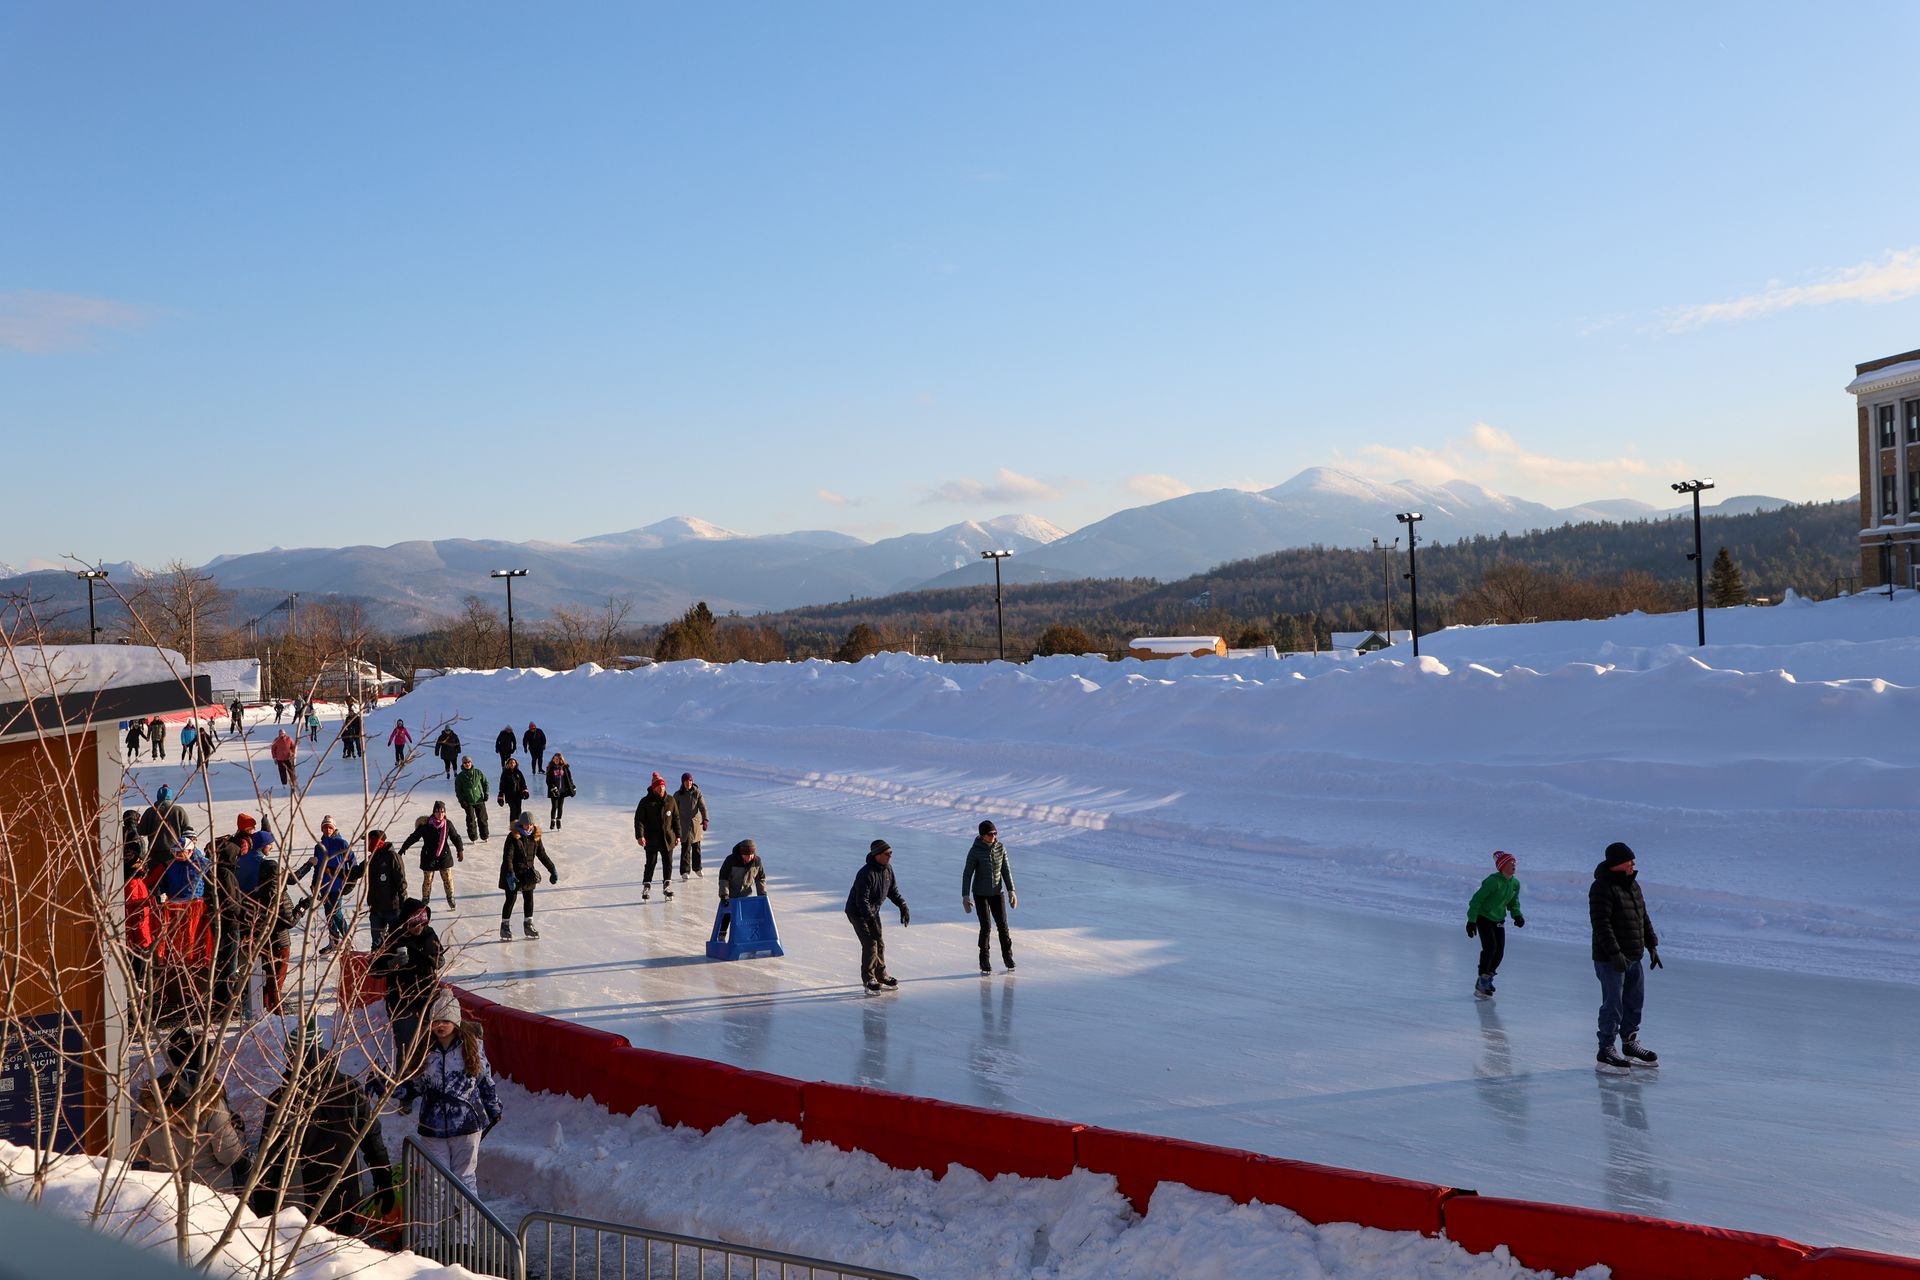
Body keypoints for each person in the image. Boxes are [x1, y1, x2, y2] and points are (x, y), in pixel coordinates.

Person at [254, 1026, 394, 1229]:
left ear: (293, 1055)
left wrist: (264, 1205)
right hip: (346, 1194)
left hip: (303, 1200)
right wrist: (383, 1178)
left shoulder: (282, 1099)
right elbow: (372, 1139)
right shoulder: (350, 1088)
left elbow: (269, 1157)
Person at [393, 988, 503, 1234]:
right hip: (433, 1127)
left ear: (455, 1021)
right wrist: (391, 1088)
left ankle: (465, 1236)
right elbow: (416, 1085)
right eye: (435, 1021)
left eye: (445, 1020)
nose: (440, 1025)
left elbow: (485, 1081)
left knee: (464, 1180)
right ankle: (429, 1236)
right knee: (433, 1184)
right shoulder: (425, 1051)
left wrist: (494, 1108)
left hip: (466, 1126)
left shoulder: (471, 1048)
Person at [1590, 841, 1661, 1072]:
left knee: (1634, 1002)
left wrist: (1651, 944)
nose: (1633, 864)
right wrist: (1614, 953)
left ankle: (1630, 1043)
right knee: (1613, 1004)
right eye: (1629, 860)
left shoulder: (1633, 884)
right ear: (1617, 863)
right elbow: (1601, 924)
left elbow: (1642, 915)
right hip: (1610, 959)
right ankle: (1606, 1049)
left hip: (1634, 955)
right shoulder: (1602, 887)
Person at [374, 900, 443, 1077]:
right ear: (406, 922)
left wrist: (438, 960)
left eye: (423, 923)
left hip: (427, 999)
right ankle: (404, 1090)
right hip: (402, 1003)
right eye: (414, 924)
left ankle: (427, 1084)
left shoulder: (429, 934)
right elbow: (374, 969)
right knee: (407, 1046)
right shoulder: (394, 937)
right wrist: (391, 963)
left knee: (429, 1045)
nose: (419, 928)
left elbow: (439, 956)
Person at [845, 839, 909, 992]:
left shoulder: (888, 870)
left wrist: (903, 906)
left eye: (891, 853)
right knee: (870, 944)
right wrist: (870, 920)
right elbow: (862, 901)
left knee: (879, 943)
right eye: (887, 853)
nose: (890, 856)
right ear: (877, 855)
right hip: (858, 912)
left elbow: (892, 891)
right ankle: (868, 979)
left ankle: (881, 975)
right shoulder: (865, 873)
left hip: (873, 911)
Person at [961, 819, 1018, 975]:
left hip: (997, 893)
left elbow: (1006, 871)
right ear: (982, 835)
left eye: (995, 833)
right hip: (980, 894)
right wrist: (965, 896)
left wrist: (1011, 890)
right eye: (990, 834)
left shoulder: (1001, 848)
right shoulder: (975, 851)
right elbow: (967, 874)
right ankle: (984, 960)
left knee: (1003, 926)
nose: (994, 836)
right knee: (986, 927)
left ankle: (1008, 957)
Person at [296, 816, 357, 954]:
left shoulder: (342, 843)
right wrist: (314, 884)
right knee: (329, 915)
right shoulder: (319, 847)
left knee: (337, 914)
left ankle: (349, 942)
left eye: (330, 827)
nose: (327, 829)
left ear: (334, 828)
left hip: (337, 886)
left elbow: (353, 864)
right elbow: (317, 868)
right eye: (325, 827)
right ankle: (334, 942)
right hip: (323, 887)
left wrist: (350, 883)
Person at [1467, 850, 1525, 997]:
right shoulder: (1493, 881)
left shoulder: (1515, 883)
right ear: (1502, 866)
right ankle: (1482, 979)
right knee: (1490, 947)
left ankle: (1488, 976)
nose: (1514, 866)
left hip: (1499, 919)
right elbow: (1476, 900)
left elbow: (1513, 902)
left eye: (1514, 863)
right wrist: (1472, 921)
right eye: (1510, 863)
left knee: (1499, 951)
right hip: (1484, 917)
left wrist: (1517, 915)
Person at [498, 813, 558, 939]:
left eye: (531, 824)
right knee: (511, 899)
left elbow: (542, 854)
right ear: (521, 823)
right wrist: (510, 874)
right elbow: (507, 857)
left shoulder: (535, 836)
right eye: (526, 824)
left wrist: (552, 869)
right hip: (512, 872)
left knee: (529, 898)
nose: (529, 827)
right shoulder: (513, 836)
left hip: (527, 873)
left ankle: (528, 925)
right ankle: (504, 927)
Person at [401, 801, 465, 909]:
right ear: (433, 812)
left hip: (444, 856)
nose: (440, 814)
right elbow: (414, 837)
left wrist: (460, 850)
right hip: (428, 856)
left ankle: (450, 897)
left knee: (448, 879)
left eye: (442, 812)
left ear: (445, 813)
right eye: (437, 811)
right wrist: (404, 847)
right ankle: (425, 899)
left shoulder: (447, 824)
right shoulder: (426, 825)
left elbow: (455, 837)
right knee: (428, 880)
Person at [632, 772, 680, 900]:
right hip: (651, 838)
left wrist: (678, 835)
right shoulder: (645, 802)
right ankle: (647, 886)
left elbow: (676, 818)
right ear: (654, 788)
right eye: (659, 787)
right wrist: (640, 836)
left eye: (663, 787)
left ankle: (667, 885)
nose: (662, 789)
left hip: (668, 838)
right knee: (651, 863)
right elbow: (639, 820)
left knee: (668, 863)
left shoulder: (670, 800)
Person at [361, 828, 406, 950]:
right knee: (376, 945)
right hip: (376, 909)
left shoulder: (392, 857)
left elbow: (401, 883)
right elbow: (355, 873)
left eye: (367, 841)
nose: (365, 845)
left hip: (392, 909)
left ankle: (398, 967)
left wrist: (404, 907)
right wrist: (334, 872)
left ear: (375, 841)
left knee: (396, 943)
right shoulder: (371, 859)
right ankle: (376, 968)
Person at [138, 783, 195, 852]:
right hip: (175, 851)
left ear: (158, 796)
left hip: (154, 852)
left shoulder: (150, 811)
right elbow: (187, 831)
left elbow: (141, 831)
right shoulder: (178, 810)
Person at [674, 772, 709, 879]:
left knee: (696, 848)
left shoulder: (697, 793)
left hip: (695, 825)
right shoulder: (678, 795)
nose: (688, 783)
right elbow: (674, 809)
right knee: (685, 848)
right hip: (683, 825)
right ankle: (685, 871)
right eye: (686, 781)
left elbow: (703, 807)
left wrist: (705, 819)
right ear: (682, 782)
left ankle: (697, 868)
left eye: (690, 781)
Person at [455, 755, 491, 842]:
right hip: (468, 802)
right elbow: (458, 790)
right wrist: (461, 800)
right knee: (471, 820)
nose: (467, 764)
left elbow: (485, 782)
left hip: (479, 800)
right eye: (465, 763)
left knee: (482, 819)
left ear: (471, 763)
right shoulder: (460, 777)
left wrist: (486, 793)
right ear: (463, 764)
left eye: (469, 762)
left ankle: (484, 836)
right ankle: (473, 837)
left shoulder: (478, 772)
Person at [544, 753, 576, 829]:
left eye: (558, 759)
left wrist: (572, 786)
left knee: (560, 806)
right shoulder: (551, 768)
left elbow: (569, 778)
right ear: (553, 759)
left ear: (561, 760)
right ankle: (552, 821)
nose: (556, 760)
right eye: (555, 759)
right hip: (554, 791)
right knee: (554, 806)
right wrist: (553, 788)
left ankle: (558, 820)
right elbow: (548, 780)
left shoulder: (564, 768)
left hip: (563, 791)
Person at [496, 757, 531, 825]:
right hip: (510, 796)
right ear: (508, 764)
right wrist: (500, 796)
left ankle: (519, 825)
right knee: (513, 810)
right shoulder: (505, 773)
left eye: (513, 763)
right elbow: (502, 786)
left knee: (519, 810)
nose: (512, 764)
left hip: (518, 795)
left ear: (516, 764)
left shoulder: (519, 772)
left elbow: (523, 783)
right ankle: (513, 827)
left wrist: (525, 791)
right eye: (510, 763)